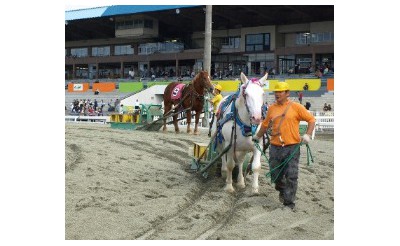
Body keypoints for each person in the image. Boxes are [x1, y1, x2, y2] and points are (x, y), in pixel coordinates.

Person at [252, 82, 315, 210]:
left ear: (287, 93)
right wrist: (257, 136)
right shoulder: (271, 108)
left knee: (292, 175)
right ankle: (282, 190)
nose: (277, 94)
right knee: (275, 175)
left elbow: (311, 120)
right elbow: (265, 125)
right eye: (276, 92)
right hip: (275, 147)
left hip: (292, 147)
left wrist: (307, 135)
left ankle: (289, 203)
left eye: (280, 92)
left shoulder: (296, 107)